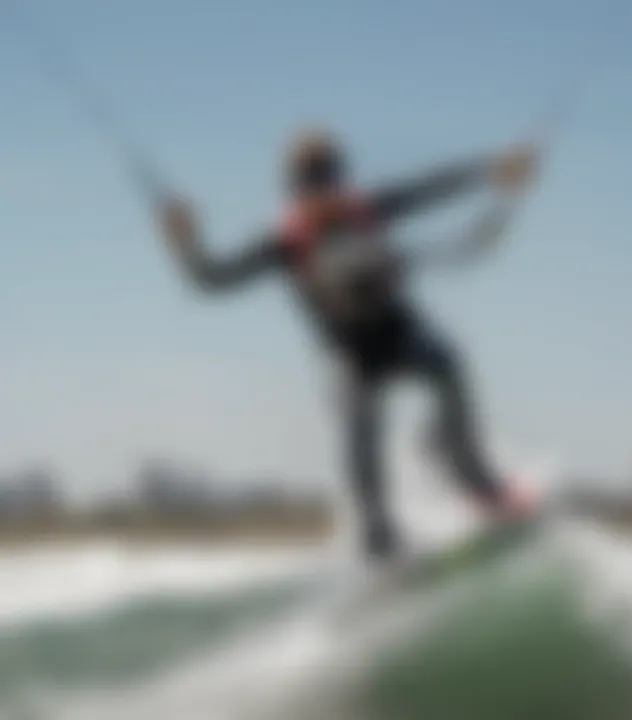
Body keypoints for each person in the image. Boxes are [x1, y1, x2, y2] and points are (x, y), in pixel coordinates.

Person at [156, 128, 538, 559]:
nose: (323, 189)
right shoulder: (285, 243)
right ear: (295, 191)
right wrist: (184, 242)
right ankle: (382, 543)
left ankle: (476, 480)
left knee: (448, 368)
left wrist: (493, 170)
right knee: (364, 458)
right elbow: (213, 279)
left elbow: (432, 188)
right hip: (353, 358)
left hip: (402, 333)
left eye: (329, 178)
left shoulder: (368, 209)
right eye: (312, 182)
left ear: (341, 178)